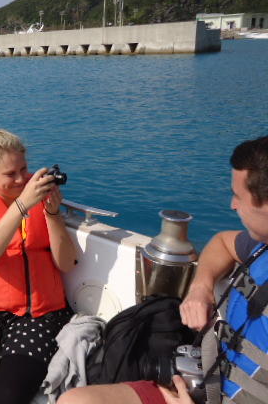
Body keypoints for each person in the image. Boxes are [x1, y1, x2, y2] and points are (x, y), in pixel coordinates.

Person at [58, 135, 268, 404]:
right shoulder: (260, 245)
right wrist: (200, 288)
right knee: (76, 400)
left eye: (239, 196)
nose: (232, 205)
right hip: (206, 379)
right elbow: (222, 243)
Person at [0, 127, 77, 404]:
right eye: (10, 174)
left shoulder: (38, 193)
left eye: (24, 169)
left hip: (39, 314)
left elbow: (66, 263)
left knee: (6, 399)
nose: (21, 179)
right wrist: (21, 206)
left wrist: (52, 213)